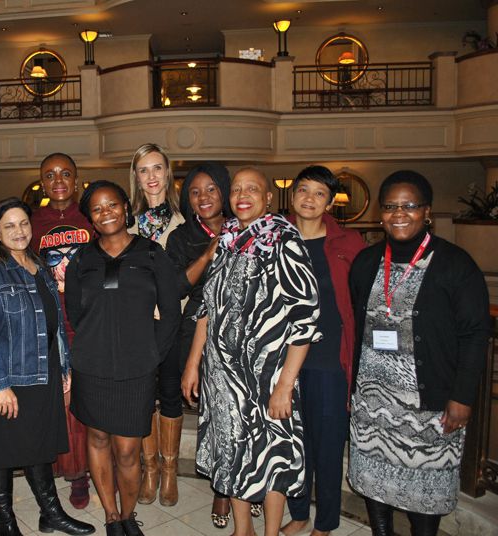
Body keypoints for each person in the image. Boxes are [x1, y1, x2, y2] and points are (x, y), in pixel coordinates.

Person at [347, 170, 490, 536]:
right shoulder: (366, 262)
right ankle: (381, 531)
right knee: (373, 476)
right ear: (381, 213)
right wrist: (354, 388)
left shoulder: (455, 265)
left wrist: (461, 396)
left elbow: (475, 334)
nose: (399, 214)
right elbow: (357, 327)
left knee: (424, 490)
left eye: (409, 205)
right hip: (374, 400)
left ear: (427, 211)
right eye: (391, 206)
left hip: (428, 405)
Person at [182, 167, 320, 536]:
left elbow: (306, 319)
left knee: (272, 456)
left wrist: (285, 386)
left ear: (269, 197)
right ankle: (244, 530)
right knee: (234, 453)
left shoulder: (284, 240)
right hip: (223, 377)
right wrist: (193, 363)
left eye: (252, 189)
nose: (243, 195)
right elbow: (206, 307)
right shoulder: (227, 239)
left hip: (268, 376)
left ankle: (271, 532)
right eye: (237, 189)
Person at [0, 197, 95, 536]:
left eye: (23, 223)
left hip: (42, 372)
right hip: (6, 376)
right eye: (9, 225)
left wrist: (63, 366)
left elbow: (53, 322)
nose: (19, 231)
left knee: (39, 446)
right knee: (2, 451)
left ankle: (51, 514)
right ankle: (4, 521)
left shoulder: (38, 264)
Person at [66, 181, 181, 536]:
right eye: (98, 209)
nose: (106, 213)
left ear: (125, 208)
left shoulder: (151, 254)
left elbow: (171, 314)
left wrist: (150, 354)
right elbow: (74, 313)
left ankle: (128, 515)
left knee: (129, 450)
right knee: (98, 439)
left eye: (112, 205)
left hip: (136, 370)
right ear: (90, 218)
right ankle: (112, 517)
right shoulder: (81, 259)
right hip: (92, 367)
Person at [279, 166, 365, 536]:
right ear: (292, 195)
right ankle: (299, 513)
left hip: (330, 360)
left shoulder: (350, 244)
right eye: (303, 190)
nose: (309, 198)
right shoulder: (275, 238)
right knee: (293, 445)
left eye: (318, 193)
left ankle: (326, 523)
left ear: (329, 202)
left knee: (328, 447)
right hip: (282, 362)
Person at [164, 162, 232, 528]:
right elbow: (177, 287)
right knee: (212, 409)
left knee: (238, 411)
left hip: (242, 332)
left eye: (211, 189)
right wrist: (209, 252)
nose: (203, 197)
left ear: (224, 191)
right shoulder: (182, 237)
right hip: (196, 327)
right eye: (194, 191)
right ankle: (222, 488)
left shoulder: (247, 229)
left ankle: (241, 486)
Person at [31, 153, 93, 509]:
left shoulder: (90, 216)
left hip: (88, 324)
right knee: (58, 403)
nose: (58, 180)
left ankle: (81, 472)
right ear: (42, 181)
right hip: (50, 327)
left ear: (76, 178)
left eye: (65, 173)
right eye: (50, 174)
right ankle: (65, 469)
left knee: (84, 403)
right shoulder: (33, 221)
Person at [127, 143, 186, 507]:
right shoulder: (126, 224)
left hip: (174, 325)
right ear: (135, 176)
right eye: (143, 169)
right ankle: (149, 469)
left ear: (168, 173)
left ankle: (169, 471)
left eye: (157, 168)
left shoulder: (186, 223)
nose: (151, 176)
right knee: (144, 398)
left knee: (171, 395)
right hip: (137, 326)